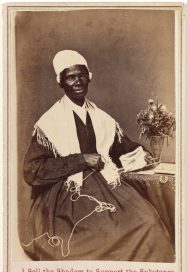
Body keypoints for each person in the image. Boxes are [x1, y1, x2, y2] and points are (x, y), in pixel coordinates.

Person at [22, 50, 175, 261]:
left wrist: (143, 154)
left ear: (89, 77)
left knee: (147, 222)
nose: (77, 81)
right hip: (69, 193)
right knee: (94, 238)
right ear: (61, 82)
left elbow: (122, 148)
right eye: (70, 77)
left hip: (108, 184)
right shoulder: (49, 123)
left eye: (82, 75)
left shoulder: (102, 118)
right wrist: (80, 160)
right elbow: (33, 171)